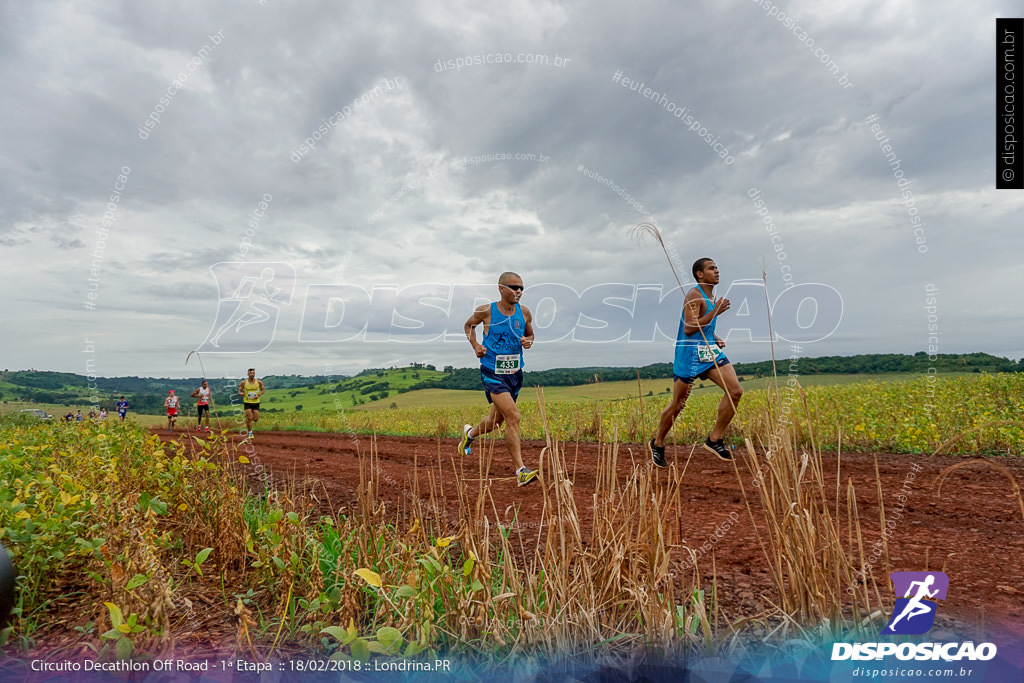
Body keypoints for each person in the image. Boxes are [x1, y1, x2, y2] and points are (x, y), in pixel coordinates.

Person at [648, 258, 743, 467]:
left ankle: (714, 439)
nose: (717, 271)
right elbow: (690, 327)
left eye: (717, 267)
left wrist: (714, 335)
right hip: (689, 355)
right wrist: (715, 311)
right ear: (700, 274)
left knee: (735, 391)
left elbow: (702, 323)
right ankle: (658, 443)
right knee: (678, 404)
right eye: (711, 268)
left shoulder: (711, 296)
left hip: (709, 352)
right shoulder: (694, 294)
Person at [457, 272, 538, 487]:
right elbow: (468, 326)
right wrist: (476, 346)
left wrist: (528, 342)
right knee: (513, 416)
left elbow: (531, 335)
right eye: (514, 287)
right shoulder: (486, 311)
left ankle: (470, 435)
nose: (518, 291)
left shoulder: (525, 313)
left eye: (521, 288)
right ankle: (521, 471)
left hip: (514, 374)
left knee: (496, 422)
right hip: (493, 373)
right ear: (501, 288)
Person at [238, 368, 265, 440]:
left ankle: (248, 421)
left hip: (256, 402)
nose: (252, 374)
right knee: (249, 417)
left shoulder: (259, 382)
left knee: (255, 419)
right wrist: (241, 393)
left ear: (254, 374)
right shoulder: (243, 382)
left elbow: (263, 390)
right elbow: (239, 391)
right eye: (250, 373)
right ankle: (250, 433)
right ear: (248, 374)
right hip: (247, 402)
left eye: (253, 373)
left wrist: (258, 395)